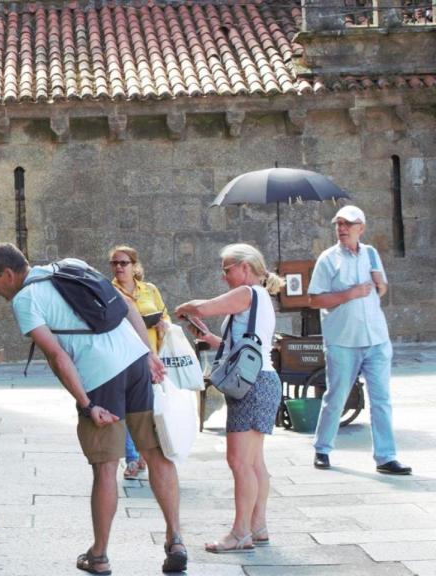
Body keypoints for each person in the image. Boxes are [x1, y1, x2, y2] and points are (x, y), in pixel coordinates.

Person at [0, 243, 187, 574]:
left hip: (100, 376)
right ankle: (175, 539)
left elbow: (58, 357)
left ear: (7, 274)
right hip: (135, 361)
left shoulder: (24, 300)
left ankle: (100, 555)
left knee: (105, 467)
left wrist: (87, 404)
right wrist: (147, 352)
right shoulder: (71, 264)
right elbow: (125, 305)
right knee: (155, 453)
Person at [175, 243, 284, 553]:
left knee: (239, 462)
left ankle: (240, 533)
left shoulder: (248, 293)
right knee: (254, 463)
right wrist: (211, 339)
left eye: (227, 269)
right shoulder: (259, 298)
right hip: (263, 380)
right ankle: (257, 526)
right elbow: (247, 345)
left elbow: (204, 306)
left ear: (245, 268)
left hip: (252, 385)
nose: (223, 276)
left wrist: (186, 307)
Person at [307, 206, 411, 475]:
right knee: (337, 396)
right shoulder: (328, 259)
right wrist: (349, 294)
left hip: (376, 338)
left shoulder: (372, 254)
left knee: (382, 400)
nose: (342, 228)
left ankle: (386, 457)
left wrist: (381, 284)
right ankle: (323, 448)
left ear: (361, 228)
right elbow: (314, 299)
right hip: (342, 340)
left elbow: (381, 288)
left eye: (348, 224)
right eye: (338, 224)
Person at [109, 245, 171, 480]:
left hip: (152, 356)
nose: (118, 268)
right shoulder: (109, 290)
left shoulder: (150, 290)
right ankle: (132, 458)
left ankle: (146, 454)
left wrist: (162, 323)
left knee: (149, 409)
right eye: (114, 263)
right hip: (124, 358)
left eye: (123, 263)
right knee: (126, 409)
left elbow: (164, 314)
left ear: (135, 266)